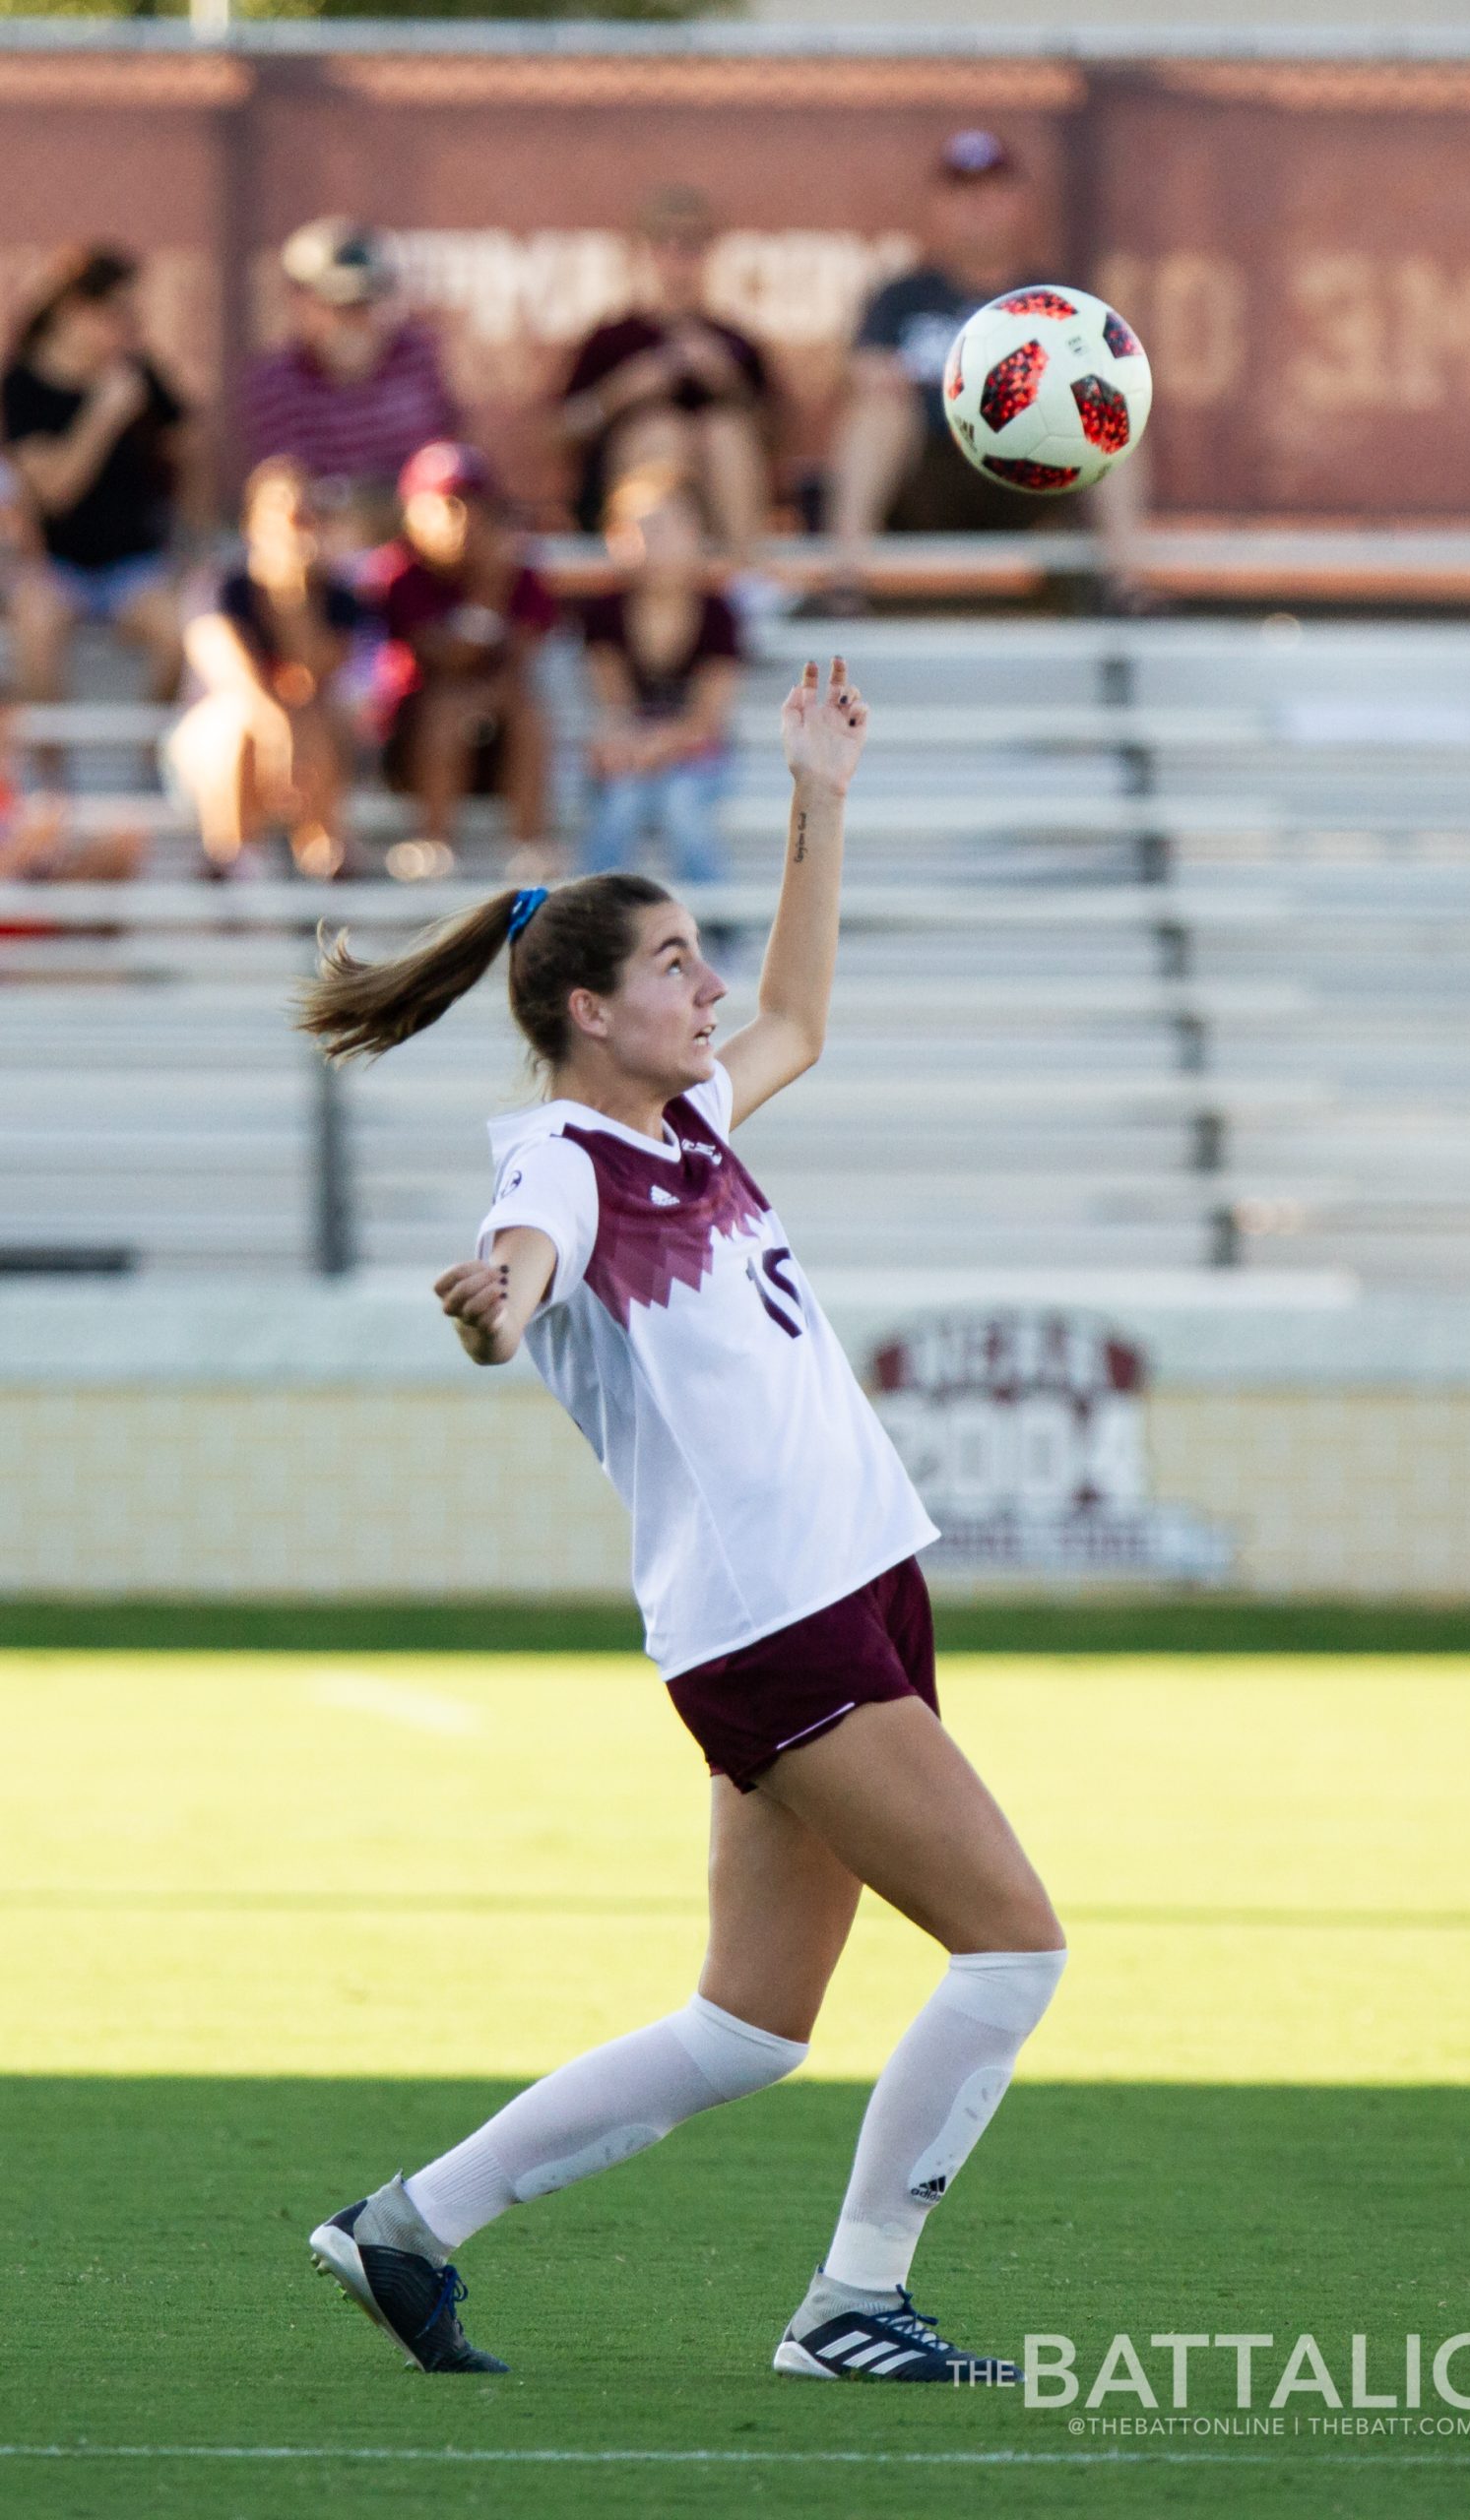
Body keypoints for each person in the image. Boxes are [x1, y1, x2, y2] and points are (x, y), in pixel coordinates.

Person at [293, 657, 1066, 2383]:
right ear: (584, 1011)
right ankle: (852, 2303)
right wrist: (495, 1305)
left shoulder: (688, 1115)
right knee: (1011, 1950)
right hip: (776, 1622)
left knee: (747, 2028)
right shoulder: (563, 1163)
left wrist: (819, 797)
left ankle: (404, 2229)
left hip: (841, 1589)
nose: (707, 989)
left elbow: (797, 1015)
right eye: (669, 965)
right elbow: (521, 1269)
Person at [824, 131, 1147, 611]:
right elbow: (865, 370)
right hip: (929, 477)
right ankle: (845, 584)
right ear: (938, 205)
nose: (979, 206)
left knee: (1110, 403)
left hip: (1031, 473)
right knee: (875, 409)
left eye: (994, 191)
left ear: (1020, 202)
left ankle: (1128, 585)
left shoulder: (1054, 299)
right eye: (963, 192)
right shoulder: (902, 297)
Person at [1, 243, 202, 708]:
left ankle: (151, 766)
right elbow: (52, 492)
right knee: (35, 626)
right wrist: (103, 414)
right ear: (74, 309)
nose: (128, 329)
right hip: (52, 566)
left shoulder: (137, 372)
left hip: (134, 567)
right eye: (118, 314)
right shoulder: (21, 385)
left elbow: (189, 444)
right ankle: (50, 775)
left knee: (184, 633)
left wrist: (190, 531)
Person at [553, 184, 772, 567]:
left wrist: (728, 383)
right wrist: (623, 391)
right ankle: (650, 561)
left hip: (717, 502)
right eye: (662, 242)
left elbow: (774, 436)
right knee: (661, 431)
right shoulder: (612, 339)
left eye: (690, 244)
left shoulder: (733, 342)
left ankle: (746, 575)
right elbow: (560, 431)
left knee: (724, 431)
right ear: (642, 252)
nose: (676, 257)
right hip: (625, 498)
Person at [364, 439, 556, 870]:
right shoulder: (399, 573)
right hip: (407, 748)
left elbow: (522, 657)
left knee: (527, 714)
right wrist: (490, 589)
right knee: (446, 710)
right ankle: (433, 843)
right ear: (412, 511)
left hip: (492, 739)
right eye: (448, 504)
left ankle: (529, 847)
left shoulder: (520, 572)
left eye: (475, 504)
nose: (465, 519)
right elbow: (443, 662)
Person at [166, 457, 360, 880]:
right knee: (241, 721)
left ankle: (320, 857)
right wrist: (278, 732)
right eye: (286, 516)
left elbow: (310, 680)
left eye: (307, 518)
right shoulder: (221, 587)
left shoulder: (336, 599)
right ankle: (234, 860)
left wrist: (295, 599)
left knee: (311, 716)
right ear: (253, 523)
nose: (296, 530)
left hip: (302, 738)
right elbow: (235, 679)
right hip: (215, 746)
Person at [580, 471, 739, 885]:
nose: (655, 541)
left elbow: (707, 720)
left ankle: (717, 928)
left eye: (669, 527)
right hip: (631, 747)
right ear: (615, 538)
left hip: (697, 752)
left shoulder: (719, 613)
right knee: (619, 807)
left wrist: (656, 744)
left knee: (682, 808)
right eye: (642, 528)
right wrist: (629, 744)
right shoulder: (604, 613)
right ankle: (589, 926)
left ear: (696, 535)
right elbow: (614, 704)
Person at [242, 220, 458, 527]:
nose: (358, 318)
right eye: (341, 304)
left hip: (421, 541)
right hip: (326, 550)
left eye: (367, 302)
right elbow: (285, 487)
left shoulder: (416, 357)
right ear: (302, 303)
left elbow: (448, 455)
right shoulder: (277, 381)